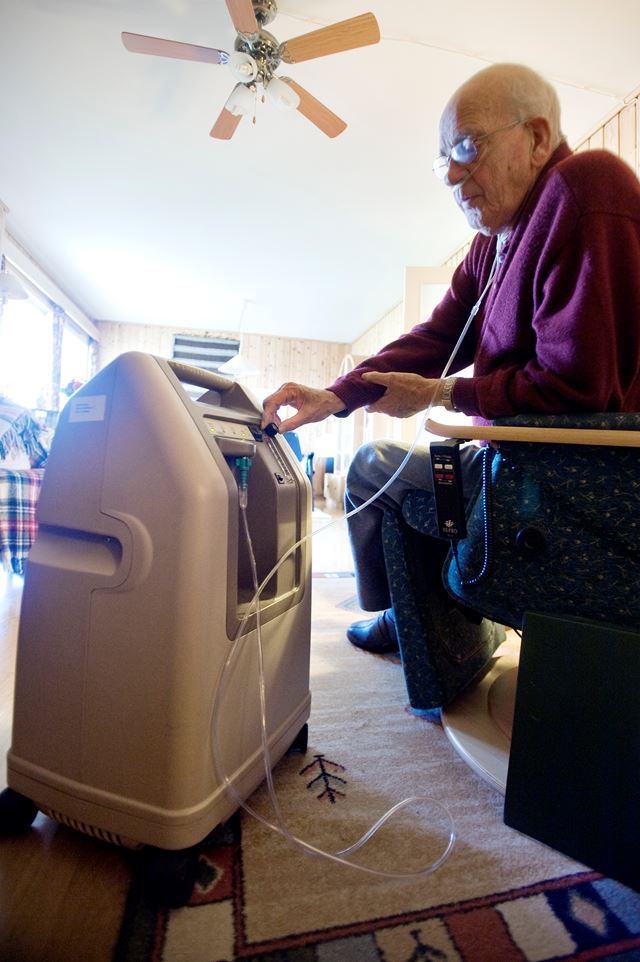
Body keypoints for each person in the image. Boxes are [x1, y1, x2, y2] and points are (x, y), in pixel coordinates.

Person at [261, 62, 640, 655]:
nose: (454, 176)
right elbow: (438, 335)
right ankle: (426, 627)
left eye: (468, 148)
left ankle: (403, 618)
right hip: (515, 464)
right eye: (446, 162)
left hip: (565, 480)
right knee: (382, 462)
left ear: (538, 138)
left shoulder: (586, 186)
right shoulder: (493, 244)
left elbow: (579, 389)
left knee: (367, 468)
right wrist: (339, 395)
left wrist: (443, 395)